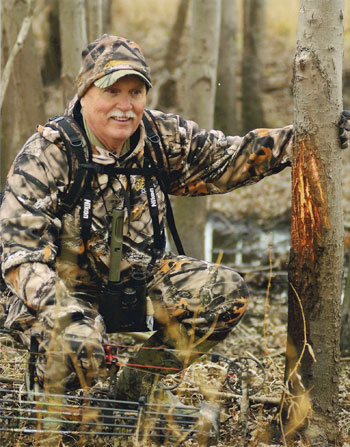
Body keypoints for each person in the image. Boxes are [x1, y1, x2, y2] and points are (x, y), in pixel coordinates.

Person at [0, 34, 349, 409]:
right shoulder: (47, 155)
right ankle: (49, 401)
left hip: (137, 282)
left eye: (135, 92)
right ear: (85, 93)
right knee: (71, 366)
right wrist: (68, 315)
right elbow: (21, 259)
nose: (125, 106)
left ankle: (137, 384)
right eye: (112, 91)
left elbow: (227, 158)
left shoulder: (160, 136)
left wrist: (302, 139)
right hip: (59, 296)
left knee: (223, 292)